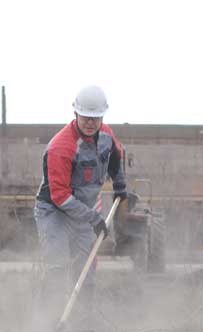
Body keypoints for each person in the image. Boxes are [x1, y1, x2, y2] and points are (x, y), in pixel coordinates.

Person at [33, 85, 128, 313]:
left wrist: (119, 183)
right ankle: (49, 320)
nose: (91, 123)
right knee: (57, 268)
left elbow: (116, 156)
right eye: (86, 117)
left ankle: (82, 322)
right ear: (76, 113)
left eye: (96, 118)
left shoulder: (106, 135)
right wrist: (93, 219)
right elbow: (60, 197)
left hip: (83, 211)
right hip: (54, 211)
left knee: (86, 270)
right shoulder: (60, 147)